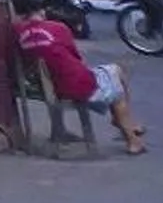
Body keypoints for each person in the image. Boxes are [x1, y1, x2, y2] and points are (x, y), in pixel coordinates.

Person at [17, 12, 146, 154]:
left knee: (115, 72)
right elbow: (76, 57)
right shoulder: (58, 28)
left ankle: (125, 122)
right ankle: (132, 139)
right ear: (41, 10)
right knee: (118, 84)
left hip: (50, 87)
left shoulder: (18, 32)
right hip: (78, 85)